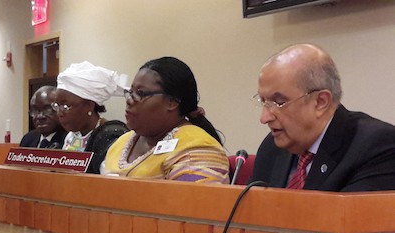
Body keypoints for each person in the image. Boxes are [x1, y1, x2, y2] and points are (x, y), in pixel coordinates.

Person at [248, 43, 395, 192]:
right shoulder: (272, 148)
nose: (264, 117)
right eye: (263, 102)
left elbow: (348, 214)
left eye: (279, 102)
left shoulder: (377, 146)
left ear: (320, 102)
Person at [103, 57, 230, 184]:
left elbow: (192, 202)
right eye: (131, 92)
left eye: (140, 93)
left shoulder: (197, 150)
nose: (129, 100)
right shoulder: (120, 144)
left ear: (172, 102)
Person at [53, 61, 129, 173]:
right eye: (57, 105)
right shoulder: (71, 137)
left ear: (89, 106)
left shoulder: (111, 136)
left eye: (66, 106)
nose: (59, 113)